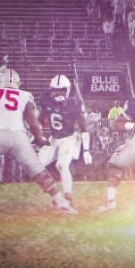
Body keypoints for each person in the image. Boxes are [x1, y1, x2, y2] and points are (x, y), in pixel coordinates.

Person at [0, 68, 75, 215]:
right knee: (38, 170)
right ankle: (61, 202)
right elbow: (34, 124)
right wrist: (39, 139)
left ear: (0, 81)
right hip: (18, 137)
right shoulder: (23, 95)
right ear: (18, 83)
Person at [36, 74, 90, 208]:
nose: (58, 93)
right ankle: (56, 192)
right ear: (51, 90)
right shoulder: (46, 100)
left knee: (62, 165)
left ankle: (68, 196)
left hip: (69, 138)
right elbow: (39, 120)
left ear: (68, 90)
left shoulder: (74, 103)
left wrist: (87, 150)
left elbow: (84, 127)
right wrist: (36, 136)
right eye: (55, 90)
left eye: (62, 90)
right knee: (37, 166)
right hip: (53, 138)